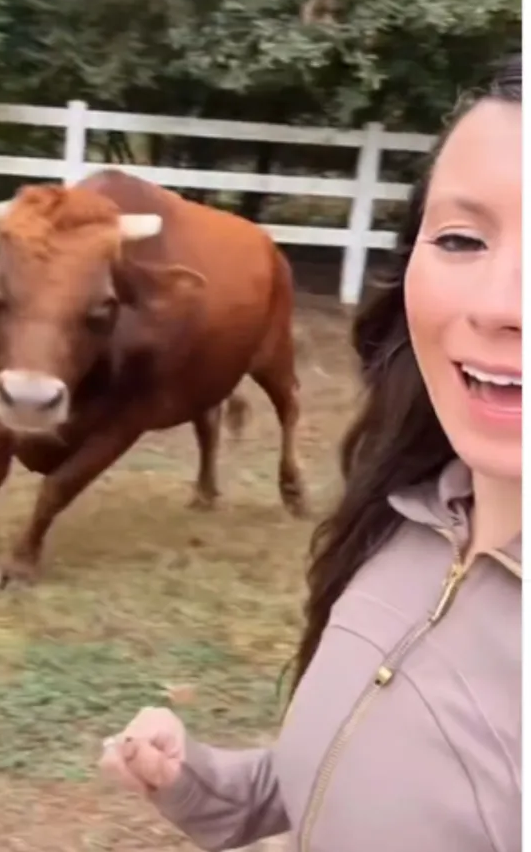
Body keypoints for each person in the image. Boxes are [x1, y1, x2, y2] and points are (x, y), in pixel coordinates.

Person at [99, 55, 521, 851]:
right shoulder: (406, 517)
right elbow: (337, 784)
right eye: (462, 239)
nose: (502, 304)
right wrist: (203, 784)